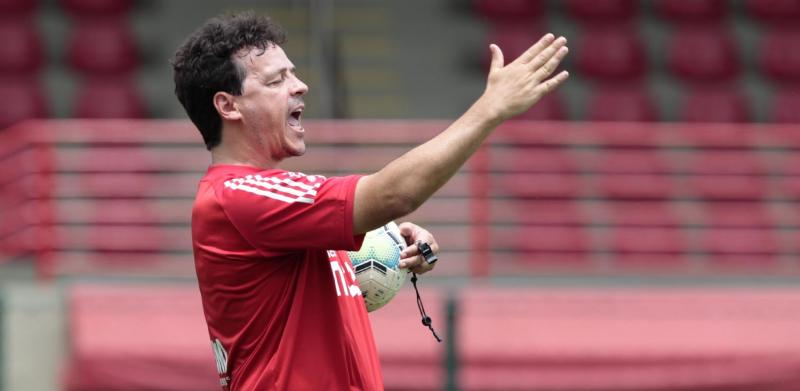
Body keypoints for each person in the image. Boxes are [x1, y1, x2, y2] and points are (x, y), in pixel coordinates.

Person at [171, 11, 569, 391]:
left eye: (293, 73)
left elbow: (305, 303)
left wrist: (394, 244)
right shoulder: (237, 196)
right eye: (277, 81)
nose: (299, 85)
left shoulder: (274, 196)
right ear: (228, 106)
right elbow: (396, 193)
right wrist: (489, 111)